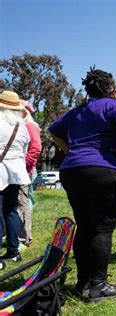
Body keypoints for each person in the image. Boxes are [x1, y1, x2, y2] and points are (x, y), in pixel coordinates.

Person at [49, 68, 116, 301]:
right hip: (106, 170)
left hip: (73, 170)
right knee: (102, 228)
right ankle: (98, 286)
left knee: (85, 225)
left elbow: (53, 131)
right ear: (111, 89)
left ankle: (82, 284)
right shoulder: (113, 105)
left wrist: (73, 150)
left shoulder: (77, 111)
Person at [0, 91, 31, 268]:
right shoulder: (22, 127)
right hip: (16, 172)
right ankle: (13, 251)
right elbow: (24, 152)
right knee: (11, 211)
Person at [17, 99, 42, 248]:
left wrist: (25, 166)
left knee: (23, 202)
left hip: (25, 170)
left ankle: (24, 237)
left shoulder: (30, 126)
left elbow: (36, 148)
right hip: (21, 169)